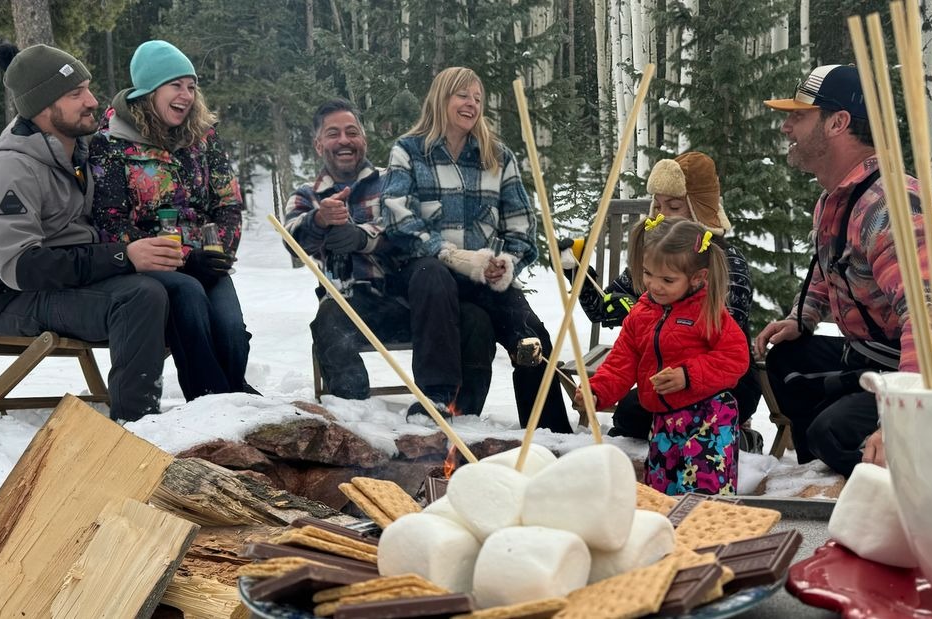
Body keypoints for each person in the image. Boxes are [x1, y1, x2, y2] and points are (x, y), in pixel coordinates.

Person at [757, 64, 932, 476]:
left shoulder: (892, 210)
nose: (786, 127)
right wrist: (804, 317)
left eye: (798, 115)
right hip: (869, 359)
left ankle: (909, 464)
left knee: (830, 433)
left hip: (923, 372)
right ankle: (825, 471)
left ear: (837, 122)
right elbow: (831, 266)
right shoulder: (839, 198)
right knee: (786, 360)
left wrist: (904, 419)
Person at [0, 43, 178, 422]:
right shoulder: (7, 170)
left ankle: (215, 410)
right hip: (7, 297)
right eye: (75, 94)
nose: (92, 101)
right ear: (43, 107)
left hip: (53, 285)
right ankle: (135, 424)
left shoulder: (74, 155)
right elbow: (21, 268)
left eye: (89, 89)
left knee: (180, 287)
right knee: (139, 297)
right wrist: (122, 257)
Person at [381, 66, 572, 433]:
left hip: (482, 276)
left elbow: (521, 227)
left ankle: (550, 432)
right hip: (425, 271)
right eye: (463, 95)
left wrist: (504, 262)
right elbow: (397, 220)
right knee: (432, 275)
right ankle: (435, 397)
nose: (471, 104)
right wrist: (452, 255)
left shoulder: (497, 156)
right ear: (442, 98)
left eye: (478, 98)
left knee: (531, 334)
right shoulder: (409, 151)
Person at [282, 99, 497, 416]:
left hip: (414, 299)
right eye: (333, 133)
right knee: (328, 321)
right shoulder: (307, 195)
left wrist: (364, 236)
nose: (344, 140)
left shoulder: (395, 180)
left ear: (363, 140)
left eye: (351, 132)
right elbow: (293, 242)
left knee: (473, 318)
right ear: (318, 144)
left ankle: (452, 411)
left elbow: (416, 230)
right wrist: (319, 220)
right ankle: (357, 418)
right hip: (353, 302)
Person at [560, 151, 763, 451]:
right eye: (657, 205)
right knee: (631, 412)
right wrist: (577, 272)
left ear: (698, 208)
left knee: (663, 413)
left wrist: (686, 375)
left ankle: (737, 438)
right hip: (663, 381)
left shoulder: (723, 261)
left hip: (722, 381)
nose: (661, 214)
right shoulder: (656, 261)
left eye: (674, 205)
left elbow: (723, 340)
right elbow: (603, 310)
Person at [91, 40, 253, 401]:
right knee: (189, 295)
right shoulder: (111, 144)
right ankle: (211, 398)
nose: (187, 96)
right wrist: (181, 258)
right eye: (176, 86)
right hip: (153, 262)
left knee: (229, 324)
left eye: (192, 87)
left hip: (204, 260)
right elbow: (110, 221)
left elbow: (227, 202)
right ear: (149, 90)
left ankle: (235, 396)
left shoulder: (204, 138)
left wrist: (216, 254)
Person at [575, 217, 749, 495]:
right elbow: (621, 361)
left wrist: (688, 375)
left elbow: (735, 357)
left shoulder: (708, 311)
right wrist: (597, 390)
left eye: (667, 279)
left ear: (697, 278)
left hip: (709, 419)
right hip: (663, 421)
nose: (654, 285)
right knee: (661, 493)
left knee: (703, 497)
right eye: (647, 274)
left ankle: (707, 536)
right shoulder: (641, 314)